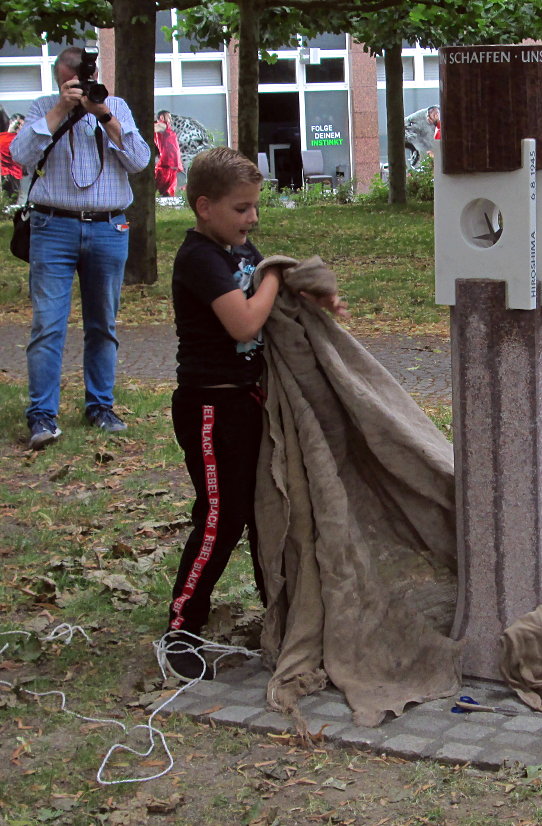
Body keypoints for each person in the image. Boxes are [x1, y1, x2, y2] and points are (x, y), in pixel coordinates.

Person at [163, 146, 347, 681]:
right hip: (208, 409)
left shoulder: (239, 252)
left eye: (255, 207)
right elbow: (244, 323)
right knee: (221, 519)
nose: (253, 218)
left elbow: (276, 299)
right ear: (204, 206)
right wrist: (272, 274)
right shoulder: (199, 257)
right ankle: (181, 627)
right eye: (242, 208)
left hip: (247, 404)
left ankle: (280, 610)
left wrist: (316, 297)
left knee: (267, 507)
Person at [11, 47, 150, 450]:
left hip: (109, 226)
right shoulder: (42, 107)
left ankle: (101, 407)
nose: (78, 86)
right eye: (70, 81)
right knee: (47, 324)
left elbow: (140, 161)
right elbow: (20, 156)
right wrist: (59, 111)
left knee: (102, 324)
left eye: (82, 79)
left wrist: (103, 115)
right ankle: (41, 416)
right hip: (52, 225)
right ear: (60, 78)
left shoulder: (115, 106)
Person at [153, 109, 182, 196]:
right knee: (160, 190)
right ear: (162, 117)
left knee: (168, 194)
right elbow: (155, 127)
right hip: (166, 167)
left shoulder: (166, 128)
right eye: (169, 118)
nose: (171, 120)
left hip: (172, 167)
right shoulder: (163, 125)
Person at [0, 113, 24, 198]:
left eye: (22, 125)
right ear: (11, 122)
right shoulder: (2, 137)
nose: (19, 126)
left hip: (14, 177)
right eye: (17, 123)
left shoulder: (21, 140)